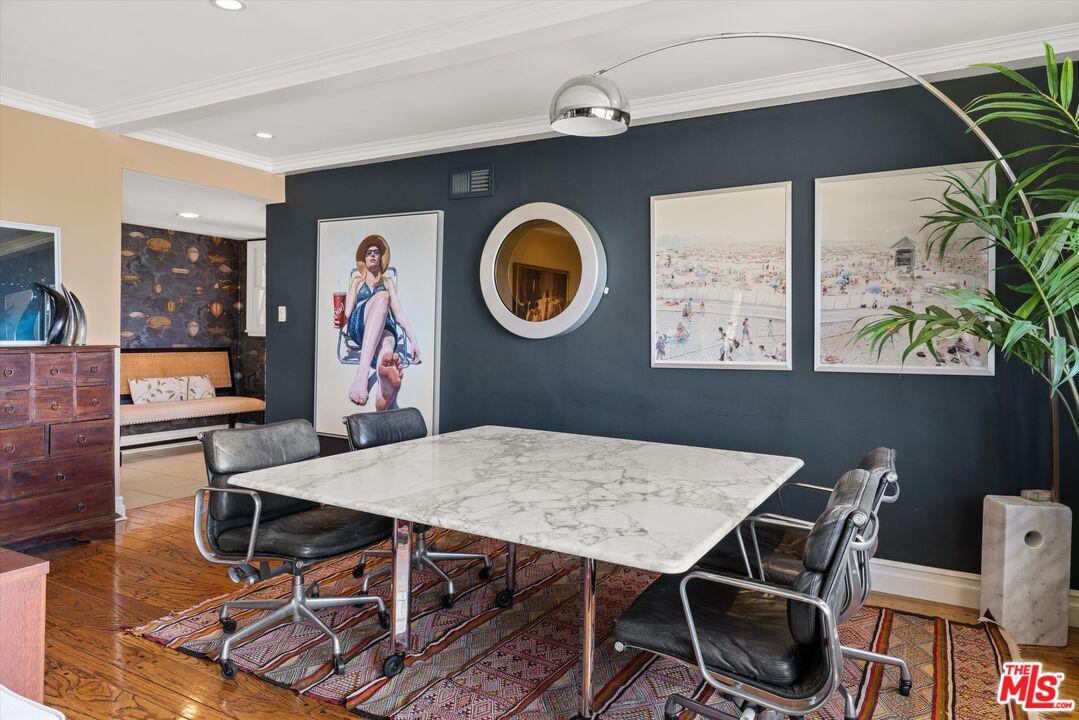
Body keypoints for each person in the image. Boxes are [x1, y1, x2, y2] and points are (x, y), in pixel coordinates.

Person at [344, 234, 421, 409]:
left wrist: (414, 340)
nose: (372, 255)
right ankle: (362, 374)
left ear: (380, 258)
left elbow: (399, 314)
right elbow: (347, 313)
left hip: (384, 327)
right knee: (382, 298)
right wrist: (339, 314)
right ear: (364, 259)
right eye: (369, 252)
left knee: (387, 344)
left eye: (376, 252)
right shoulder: (357, 282)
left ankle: (384, 392)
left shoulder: (387, 282)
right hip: (360, 324)